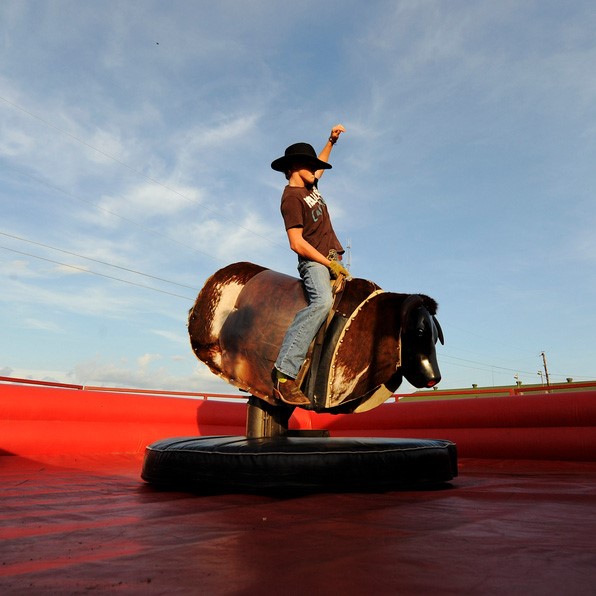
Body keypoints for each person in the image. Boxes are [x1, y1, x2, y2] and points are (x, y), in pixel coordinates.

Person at [270, 125, 350, 406]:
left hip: (332, 259)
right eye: (310, 164)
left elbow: (321, 168)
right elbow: (296, 243)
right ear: (294, 167)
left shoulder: (310, 185)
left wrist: (331, 141)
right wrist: (327, 263)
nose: (315, 170)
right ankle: (283, 374)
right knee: (321, 304)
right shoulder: (291, 198)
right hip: (314, 262)